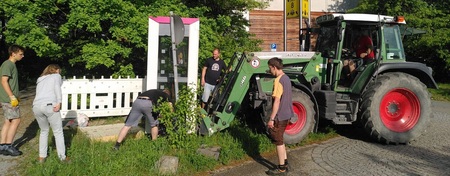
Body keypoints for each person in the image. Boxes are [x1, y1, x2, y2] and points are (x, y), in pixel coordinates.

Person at [32, 64, 69, 163]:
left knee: (44, 131)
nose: (59, 73)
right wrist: (59, 102)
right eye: (59, 71)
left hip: (36, 106)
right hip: (49, 105)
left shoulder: (40, 79)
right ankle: (62, 157)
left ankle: (41, 157)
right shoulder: (56, 76)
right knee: (58, 132)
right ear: (56, 70)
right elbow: (57, 87)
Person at [266, 57, 294, 175]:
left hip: (280, 115)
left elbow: (277, 101)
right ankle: (286, 163)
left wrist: (271, 118)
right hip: (287, 114)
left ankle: (282, 168)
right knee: (280, 139)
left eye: (270, 68)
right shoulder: (286, 78)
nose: (270, 71)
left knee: (278, 141)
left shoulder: (278, 80)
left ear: (274, 67)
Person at [0, 45, 25, 156]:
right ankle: (9, 146)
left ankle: (3, 146)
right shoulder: (7, 64)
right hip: (9, 99)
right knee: (16, 120)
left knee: (8, 121)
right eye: (20, 54)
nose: (22, 56)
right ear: (13, 53)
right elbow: (4, 81)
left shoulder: (10, 65)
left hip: (8, 98)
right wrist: (12, 97)